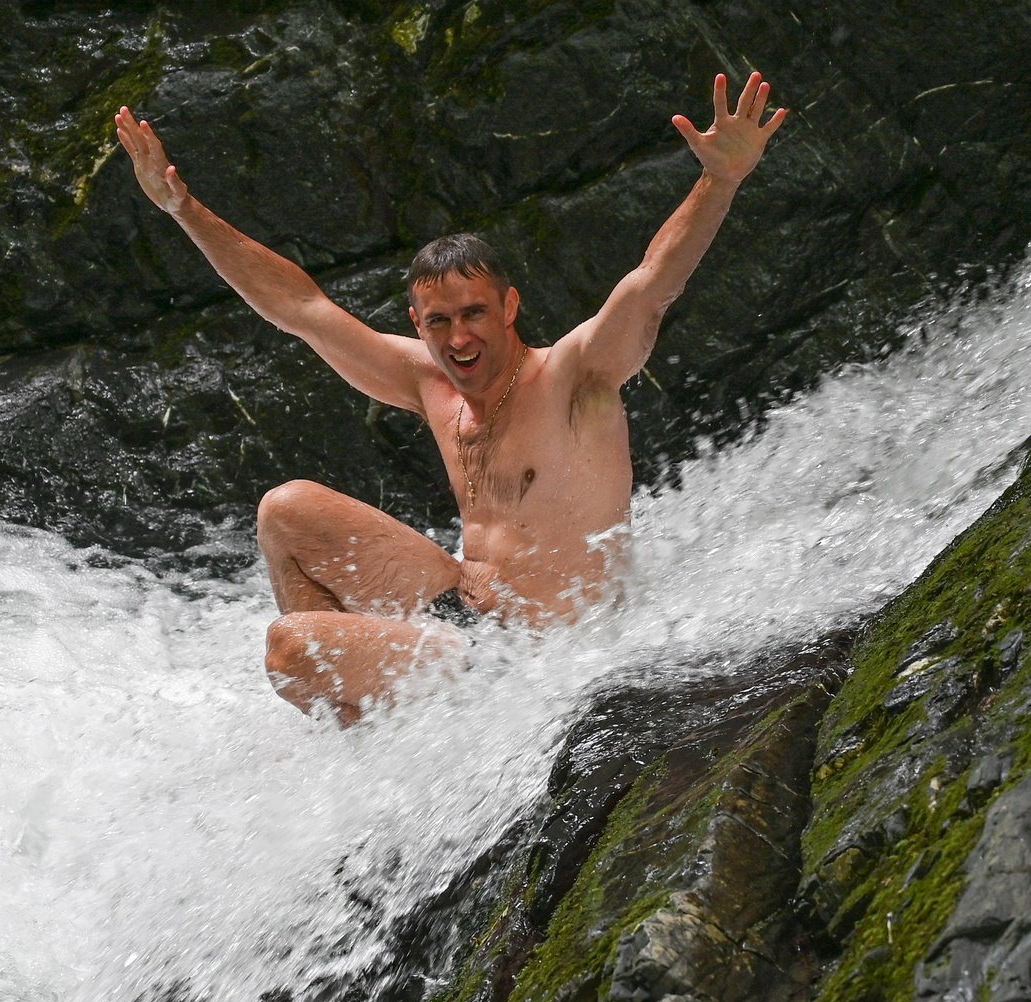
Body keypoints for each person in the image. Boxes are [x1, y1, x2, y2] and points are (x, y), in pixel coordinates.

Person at [114, 70, 788, 724]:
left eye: (473, 313)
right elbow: (299, 304)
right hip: (466, 605)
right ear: (418, 325)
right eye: (439, 321)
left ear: (509, 308)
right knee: (284, 512)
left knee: (290, 646)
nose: (459, 336)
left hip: (536, 652)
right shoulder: (428, 382)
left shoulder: (575, 378)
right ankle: (360, 725)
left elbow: (650, 283)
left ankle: (364, 717)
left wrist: (719, 178)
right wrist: (184, 209)